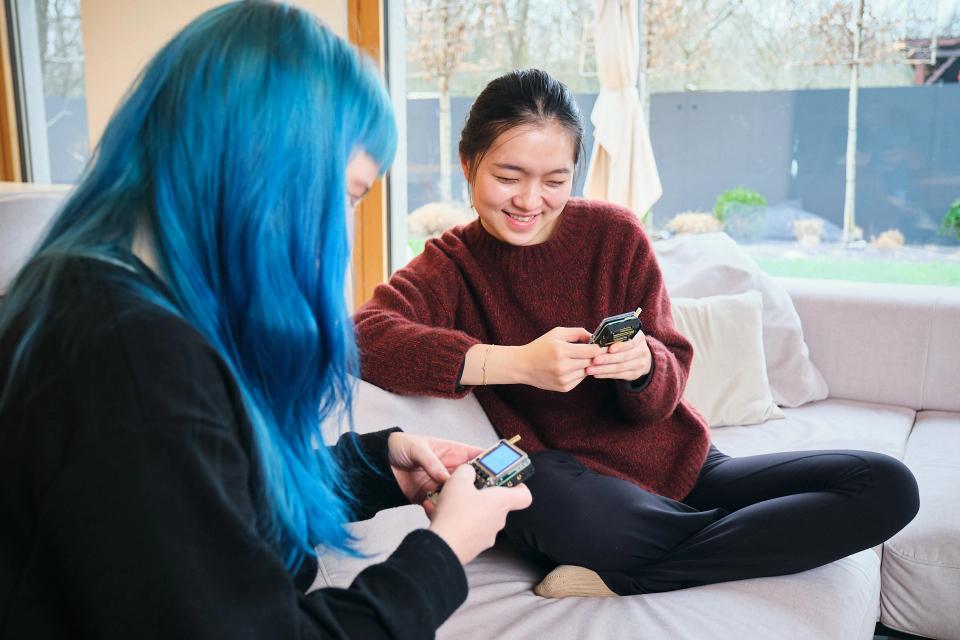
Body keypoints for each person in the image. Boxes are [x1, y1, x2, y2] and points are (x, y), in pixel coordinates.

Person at [0, 3, 531, 638]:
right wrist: (443, 554)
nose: (338, 228)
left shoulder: (105, 297)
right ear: (263, 166)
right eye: (347, 194)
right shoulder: (130, 362)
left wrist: (377, 465)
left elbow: (206, 498)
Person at [354, 68, 920, 597]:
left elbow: (667, 381)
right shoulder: (450, 265)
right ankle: (747, 538)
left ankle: (633, 570)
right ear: (467, 163)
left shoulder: (614, 235)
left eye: (555, 180)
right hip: (586, 491)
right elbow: (365, 335)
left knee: (886, 484)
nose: (531, 202)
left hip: (687, 467)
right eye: (508, 177)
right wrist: (513, 363)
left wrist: (645, 366)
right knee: (529, 486)